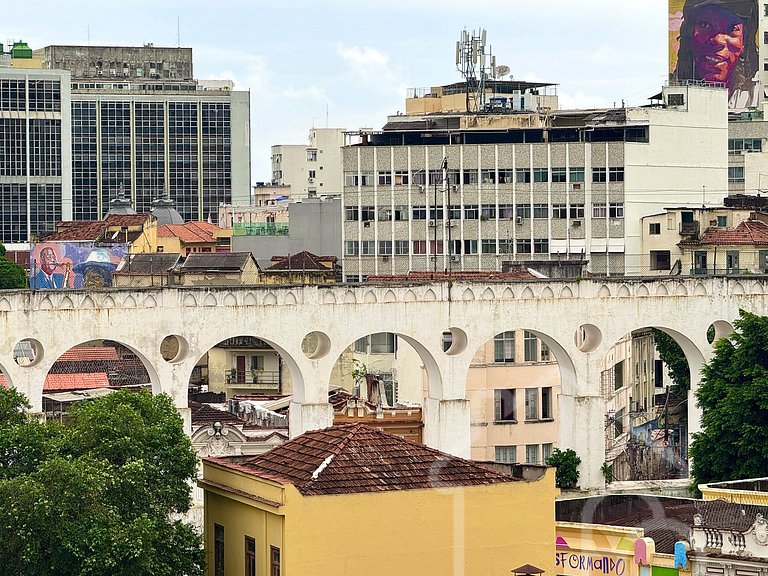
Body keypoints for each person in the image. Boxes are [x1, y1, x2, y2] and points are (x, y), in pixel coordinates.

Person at [673, 0, 758, 109]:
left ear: (744, 42)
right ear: (689, 35)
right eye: (705, 25)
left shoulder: (756, 92)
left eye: (732, 28)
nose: (718, 40)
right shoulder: (675, 91)